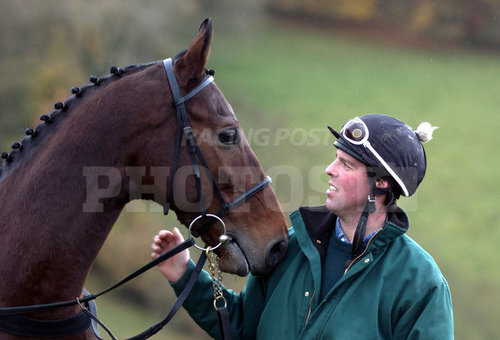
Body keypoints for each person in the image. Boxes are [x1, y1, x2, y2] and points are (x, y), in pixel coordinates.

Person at [151, 113, 454, 339]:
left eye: (346, 165)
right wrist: (183, 273)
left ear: (381, 183)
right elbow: (243, 326)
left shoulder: (421, 284)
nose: (329, 170)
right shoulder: (294, 245)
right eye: (335, 159)